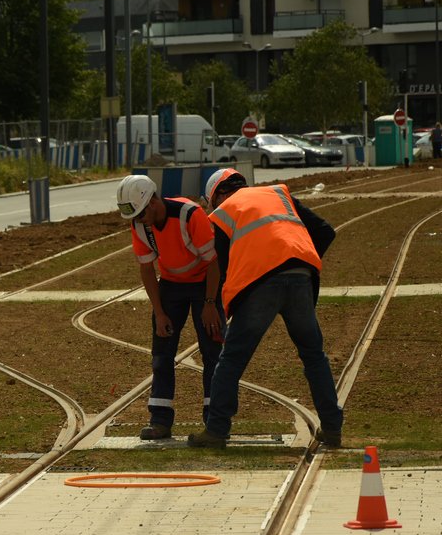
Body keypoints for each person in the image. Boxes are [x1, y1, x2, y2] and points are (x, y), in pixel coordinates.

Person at [188, 168, 342, 449]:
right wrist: (299, 260)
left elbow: (223, 268)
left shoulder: (224, 211)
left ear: (219, 194)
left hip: (261, 285)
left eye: (212, 202)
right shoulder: (278, 194)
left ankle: (216, 430)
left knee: (232, 359)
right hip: (300, 277)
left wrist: (220, 306)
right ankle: (332, 428)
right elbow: (325, 231)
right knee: (313, 356)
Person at [116, 174, 224, 440]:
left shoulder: (190, 214)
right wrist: (160, 311)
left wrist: (210, 303)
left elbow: (213, 263)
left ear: (153, 200)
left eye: (141, 214)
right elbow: (146, 270)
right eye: (135, 217)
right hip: (171, 287)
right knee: (161, 355)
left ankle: (215, 420)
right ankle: (160, 419)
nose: (139, 220)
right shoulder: (140, 225)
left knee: (212, 352)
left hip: (204, 285)